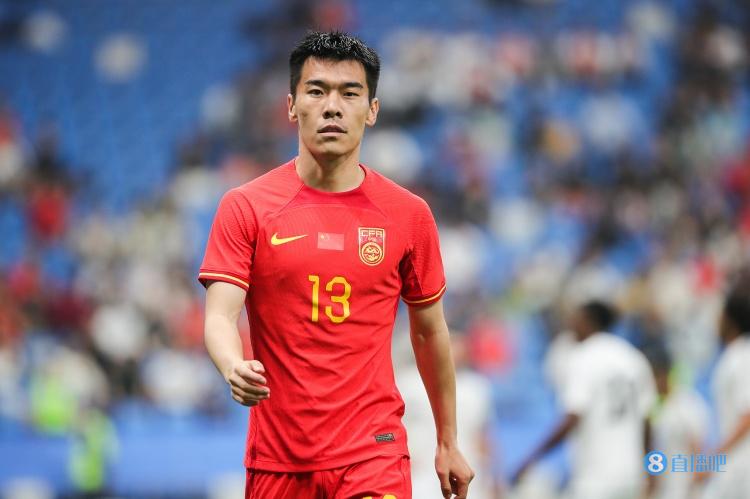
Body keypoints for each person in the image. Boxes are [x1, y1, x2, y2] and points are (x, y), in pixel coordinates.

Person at [198, 31, 474, 499]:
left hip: (373, 453)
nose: (332, 107)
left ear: (372, 109)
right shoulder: (246, 207)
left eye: (349, 93)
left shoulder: (408, 214)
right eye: (316, 91)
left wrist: (448, 441)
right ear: (291, 106)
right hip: (278, 460)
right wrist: (232, 365)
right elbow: (220, 316)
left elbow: (430, 333)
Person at [511, 301, 656, 499]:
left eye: (575, 319)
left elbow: (573, 417)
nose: (571, 326)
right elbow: (647, 422)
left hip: (595, 477)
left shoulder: (583, 357)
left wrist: (531, 459)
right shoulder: (633, 358)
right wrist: (651, 471)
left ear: (588, 321)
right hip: (631, 475)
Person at [697, 286, 750, 499]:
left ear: (730, 319)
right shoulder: (734, 355)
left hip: (741, 467)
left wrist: (713, 459)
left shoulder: (742, 357)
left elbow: (748, 415)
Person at [648, 349, 709, 499]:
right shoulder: (656, 407)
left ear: (662, 375)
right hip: (664, 489)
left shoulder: (687, 402)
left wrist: (697, 475)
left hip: (686, 488)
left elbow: (699, 443)